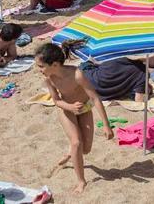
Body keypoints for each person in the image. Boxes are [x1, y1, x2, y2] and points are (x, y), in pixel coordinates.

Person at [35, 42, 111, 194]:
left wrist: (106, 125)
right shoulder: (49, 79)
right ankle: (81, 181)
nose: (39, 70)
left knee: (86, 149)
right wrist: (69, 107)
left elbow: (95, 98)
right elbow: (56, 100)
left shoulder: (77, 74)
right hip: (66, 110)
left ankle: (71, 154)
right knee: (76, 142)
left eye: (41, 66)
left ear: (55, 64)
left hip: (84, 108)